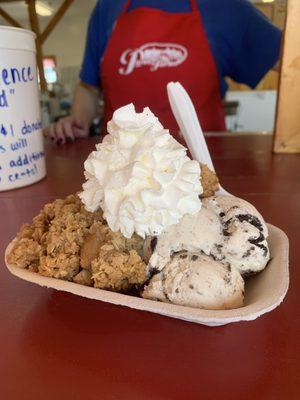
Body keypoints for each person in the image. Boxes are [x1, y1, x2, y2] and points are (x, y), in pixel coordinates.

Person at [45, 0, 282, 144]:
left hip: (203, 168)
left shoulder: (224, 7)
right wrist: (76, 123)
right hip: (123, 169)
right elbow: (89, 86)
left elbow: (289, 61)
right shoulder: (107, 7)